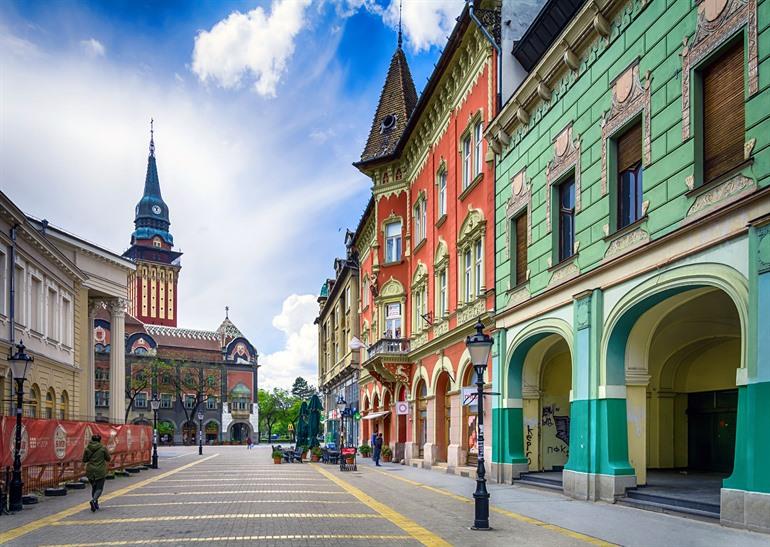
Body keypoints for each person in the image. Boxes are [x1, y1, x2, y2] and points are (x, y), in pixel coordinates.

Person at [82, 434, 110, 512]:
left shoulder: (87, 448)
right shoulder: (103, 448)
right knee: (99, 488)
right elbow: (108, 458)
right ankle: (94, 501)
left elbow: (84, 460)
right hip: (100, 471)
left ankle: (95, 503)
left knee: (94, 487)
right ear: (99, 440)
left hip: (90, 471)